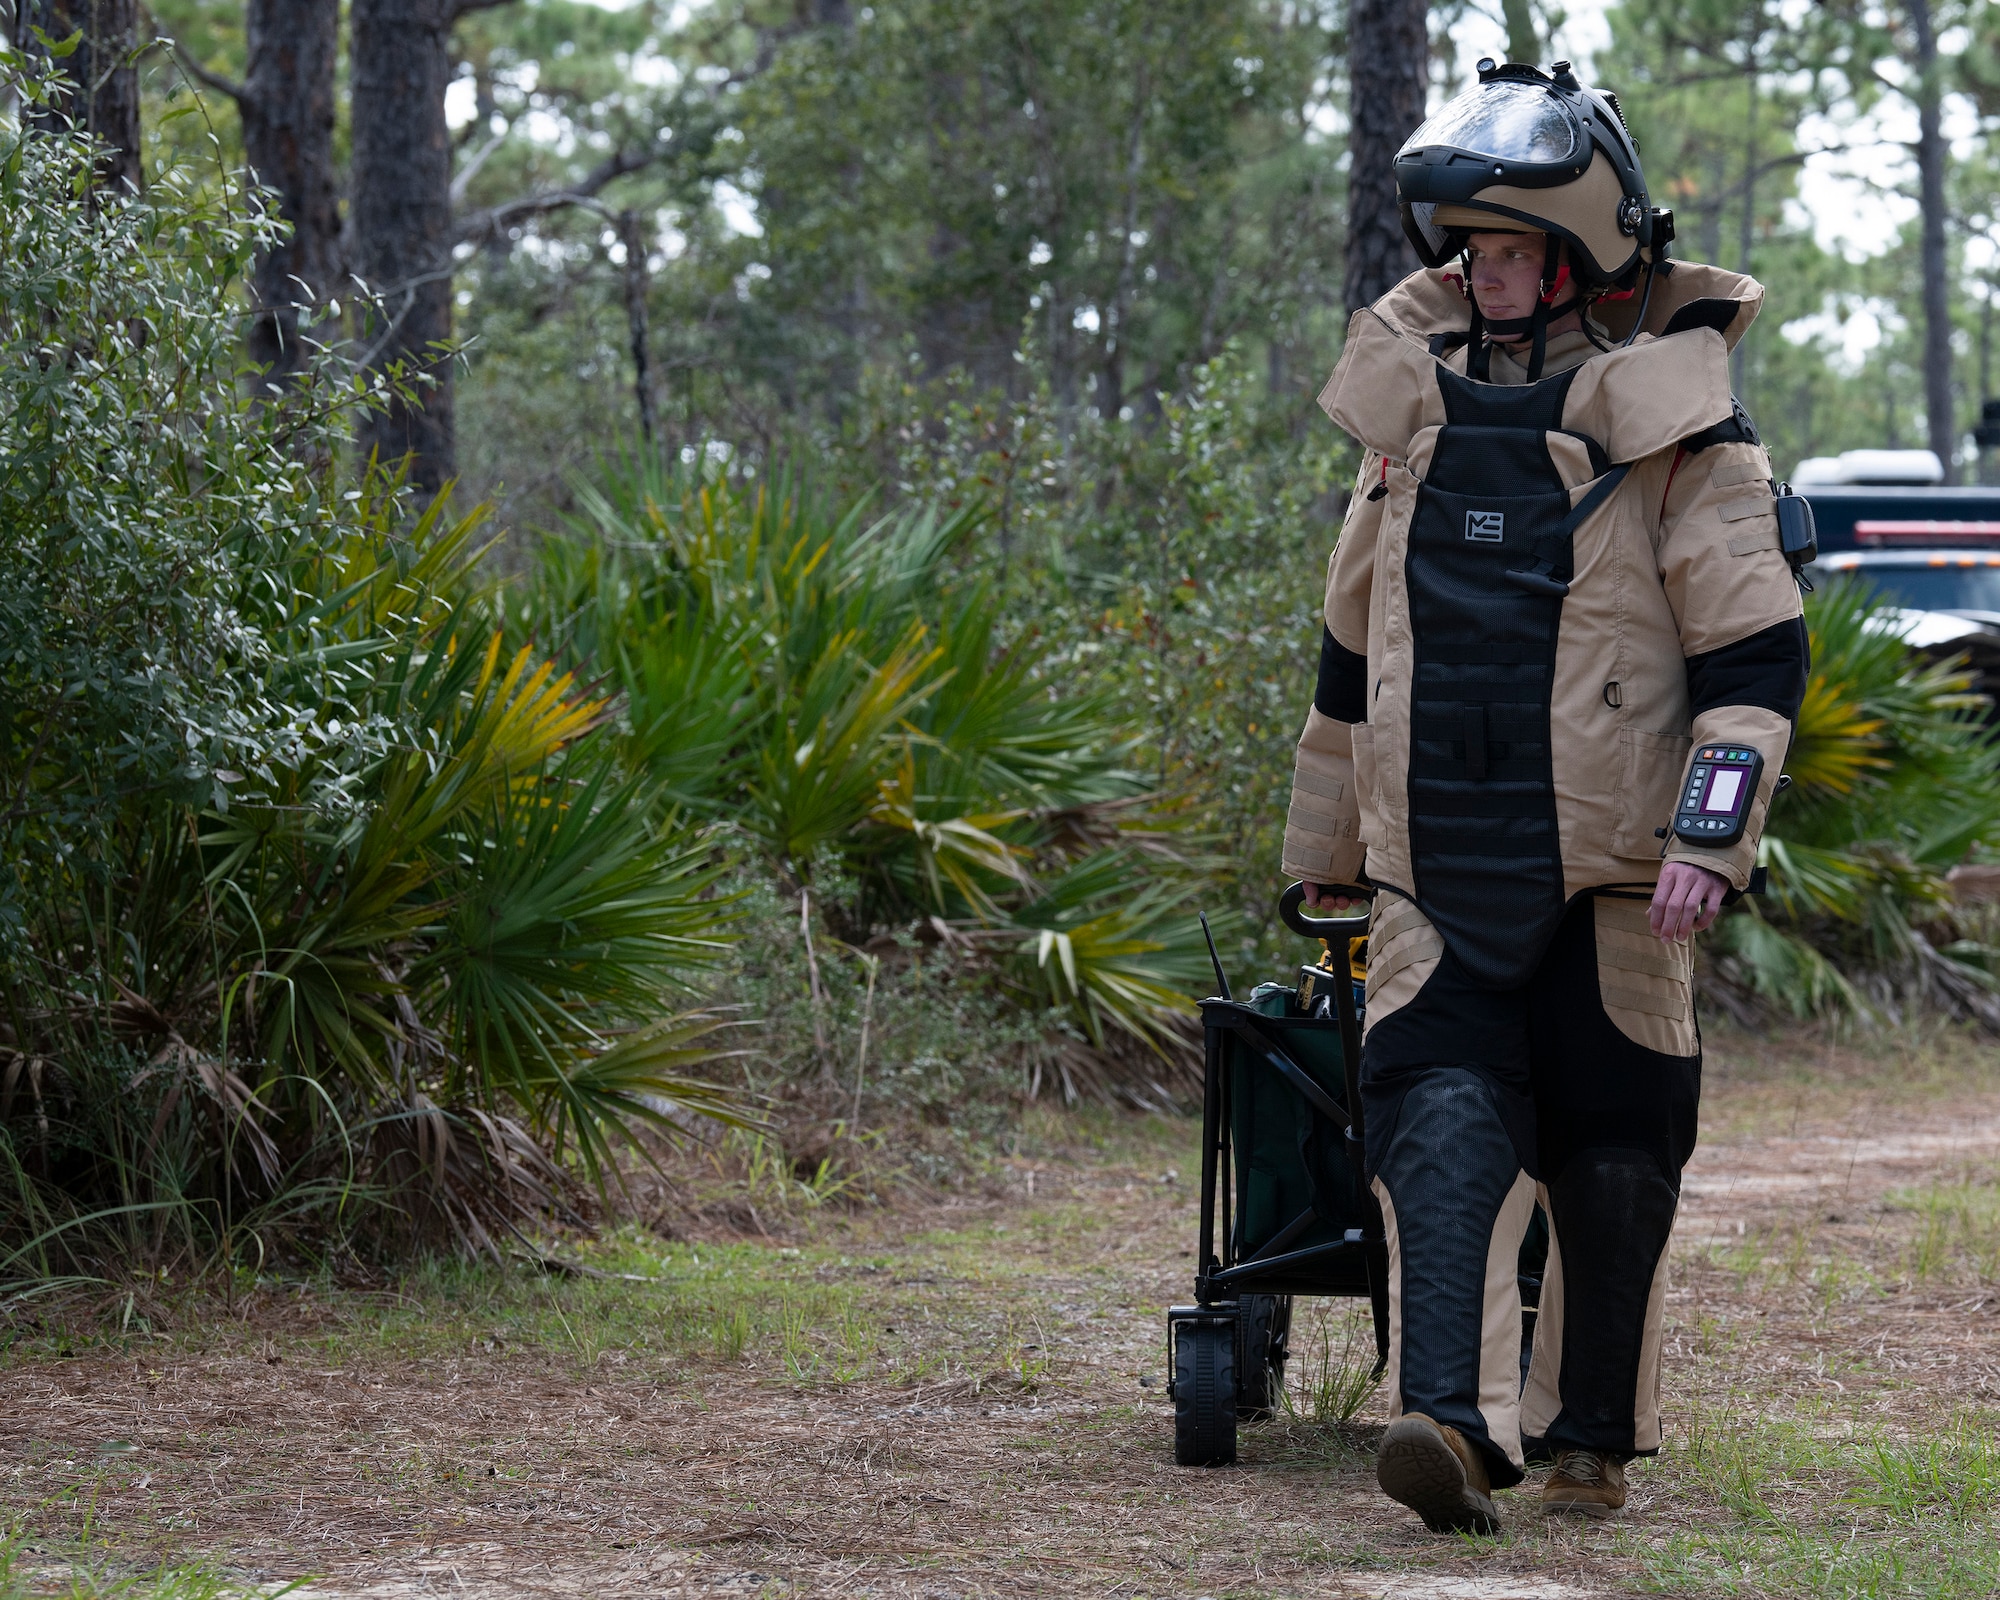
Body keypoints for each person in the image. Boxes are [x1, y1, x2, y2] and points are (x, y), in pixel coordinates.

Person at [1280, 58, 1809, 1531]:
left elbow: (1758, 658)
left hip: (1623, 876)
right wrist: (1322, 851)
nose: (1488, 274)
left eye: (1516, 250)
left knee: (1614, 1150)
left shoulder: (1684, 435)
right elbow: (1348, 661)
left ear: (1575, 260)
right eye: (1472, 251)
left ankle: (1589, 1437)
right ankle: (1445, 1425)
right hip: (1431, 866)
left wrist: (1713, 837)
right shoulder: (1409, 437)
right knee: (1434, 1126)